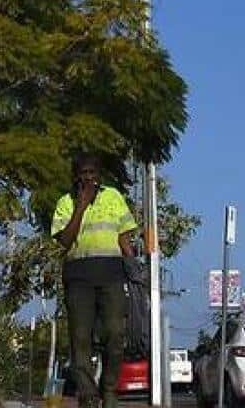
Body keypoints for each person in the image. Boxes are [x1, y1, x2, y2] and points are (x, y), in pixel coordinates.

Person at [52, 153, 139, 408]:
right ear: (75, 176)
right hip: (79, 277)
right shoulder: (65, 202)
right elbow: (65, 241)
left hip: (111, 274)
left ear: (98, 175)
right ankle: (88, 394)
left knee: (115, 334)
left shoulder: (113, 197)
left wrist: (134, 269)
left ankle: (109, 389)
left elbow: (124, 238)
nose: (88, 178)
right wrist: (81, 205)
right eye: (83, 173)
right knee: (81, 338)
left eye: (93, 173)